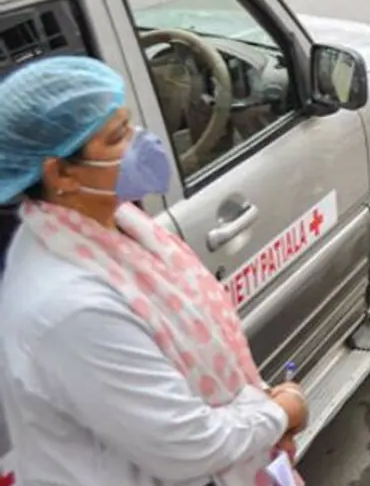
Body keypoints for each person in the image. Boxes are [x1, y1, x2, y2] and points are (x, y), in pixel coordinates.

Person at [0, 56, 309, 485]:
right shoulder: (69, 306)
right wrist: (281, 411)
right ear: (60, 173)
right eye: (118, 137)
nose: (142, 143)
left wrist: (258, 411)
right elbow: (189, 447)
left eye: (129, 124)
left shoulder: (113, 225)